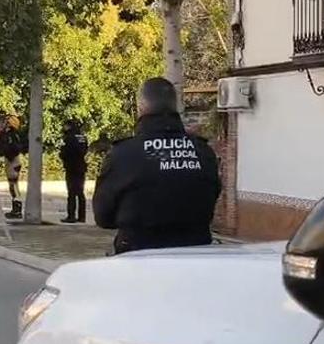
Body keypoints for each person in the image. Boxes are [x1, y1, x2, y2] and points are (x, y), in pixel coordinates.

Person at [93, 78, 222, 254]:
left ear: (141, 106)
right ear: (176, 106)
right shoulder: (203, 151)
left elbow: (103, 217)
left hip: (138, 257)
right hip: (196, 256)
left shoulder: (124, 154)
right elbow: (213, 195)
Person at [59, 120, 89, 224]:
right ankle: (82, 216)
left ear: (69, 126)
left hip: (71, 167)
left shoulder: (68, 137)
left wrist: (63, 156)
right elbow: (85, 150)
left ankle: (71, 216)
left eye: (65, 126)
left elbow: (64, 152)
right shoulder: (82, 137)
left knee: (71, 192)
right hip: (81, 166)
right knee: (80, 192)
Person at [0, 115, 26, 219]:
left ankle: (17, 210)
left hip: (13, 161)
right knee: (12, 185)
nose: (4, 123)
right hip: (11, 160)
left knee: (14, 185)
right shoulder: (9, 134)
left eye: (6, 122)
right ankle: (15, 208)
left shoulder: (12, 134)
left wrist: (8, 155)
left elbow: (14, 148)